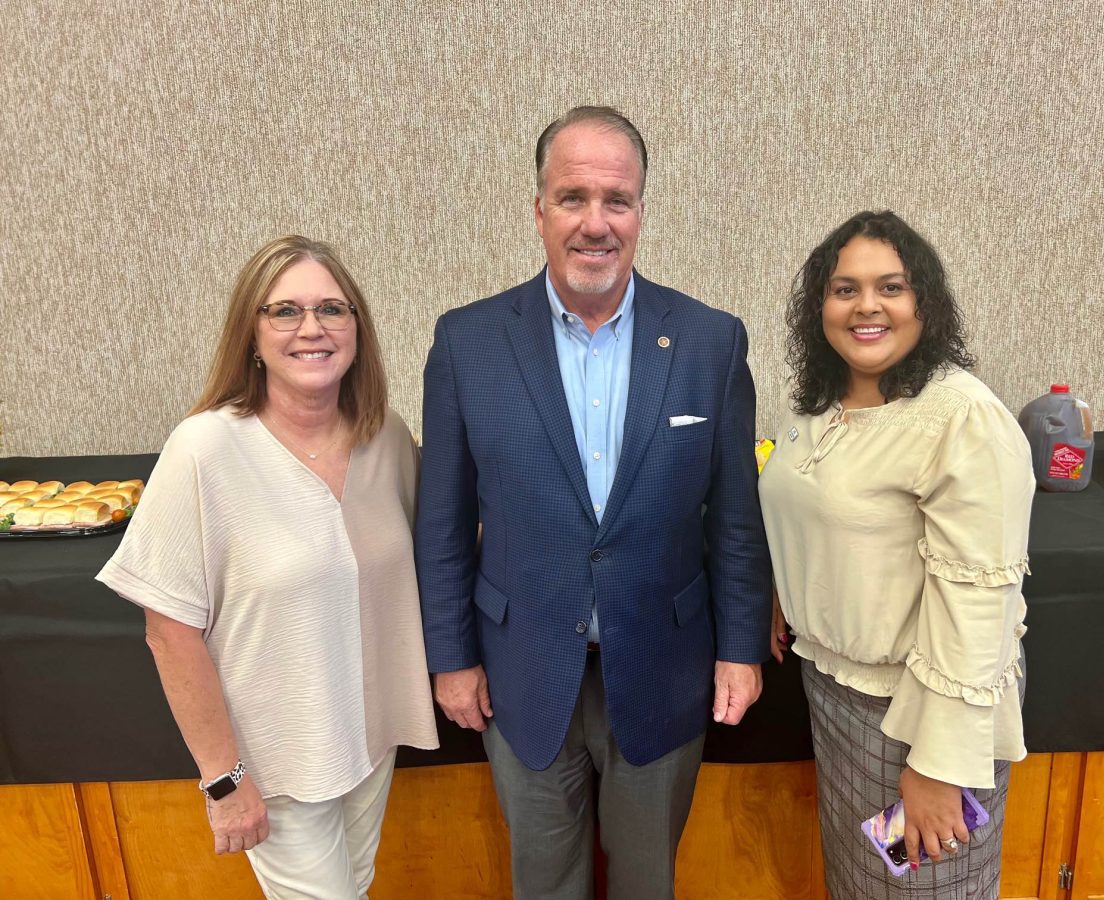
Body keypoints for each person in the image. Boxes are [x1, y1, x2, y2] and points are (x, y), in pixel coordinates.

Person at [415, 105, 772, 900]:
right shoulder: (467, 342)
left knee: (648, 883)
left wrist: (742, 647)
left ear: (642, 210)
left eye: (617, 199)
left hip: (664, 666)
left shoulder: (712, 341)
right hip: (520, 671)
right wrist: (451, 657)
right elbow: (440, 522)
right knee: (544, 883)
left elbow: (737, 521)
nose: (596, 222)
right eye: (573, 197)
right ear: (538, 210)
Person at [97, 235, 438, 899]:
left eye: (332, 310)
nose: (311, 328)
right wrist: (224, 781)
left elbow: (437, 548)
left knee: (355, 888)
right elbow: (168, 630)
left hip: (371, 741)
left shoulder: (386, 436)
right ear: (251, 337)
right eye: (285, 311)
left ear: (357, 329)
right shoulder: (206, 449)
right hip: (276, 762)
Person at [759, 211, 1034, 899]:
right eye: (844, 288)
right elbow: (810, 509)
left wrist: (940, 764)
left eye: (891, 287)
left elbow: (978, 603)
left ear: (924, 303)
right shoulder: (822, 407)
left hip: (918, 712)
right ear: (819, 305)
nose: (867, 306)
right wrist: (783, 591)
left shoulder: (961, 417)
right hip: (835, 693)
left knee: (928, 891)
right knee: (860, 888)